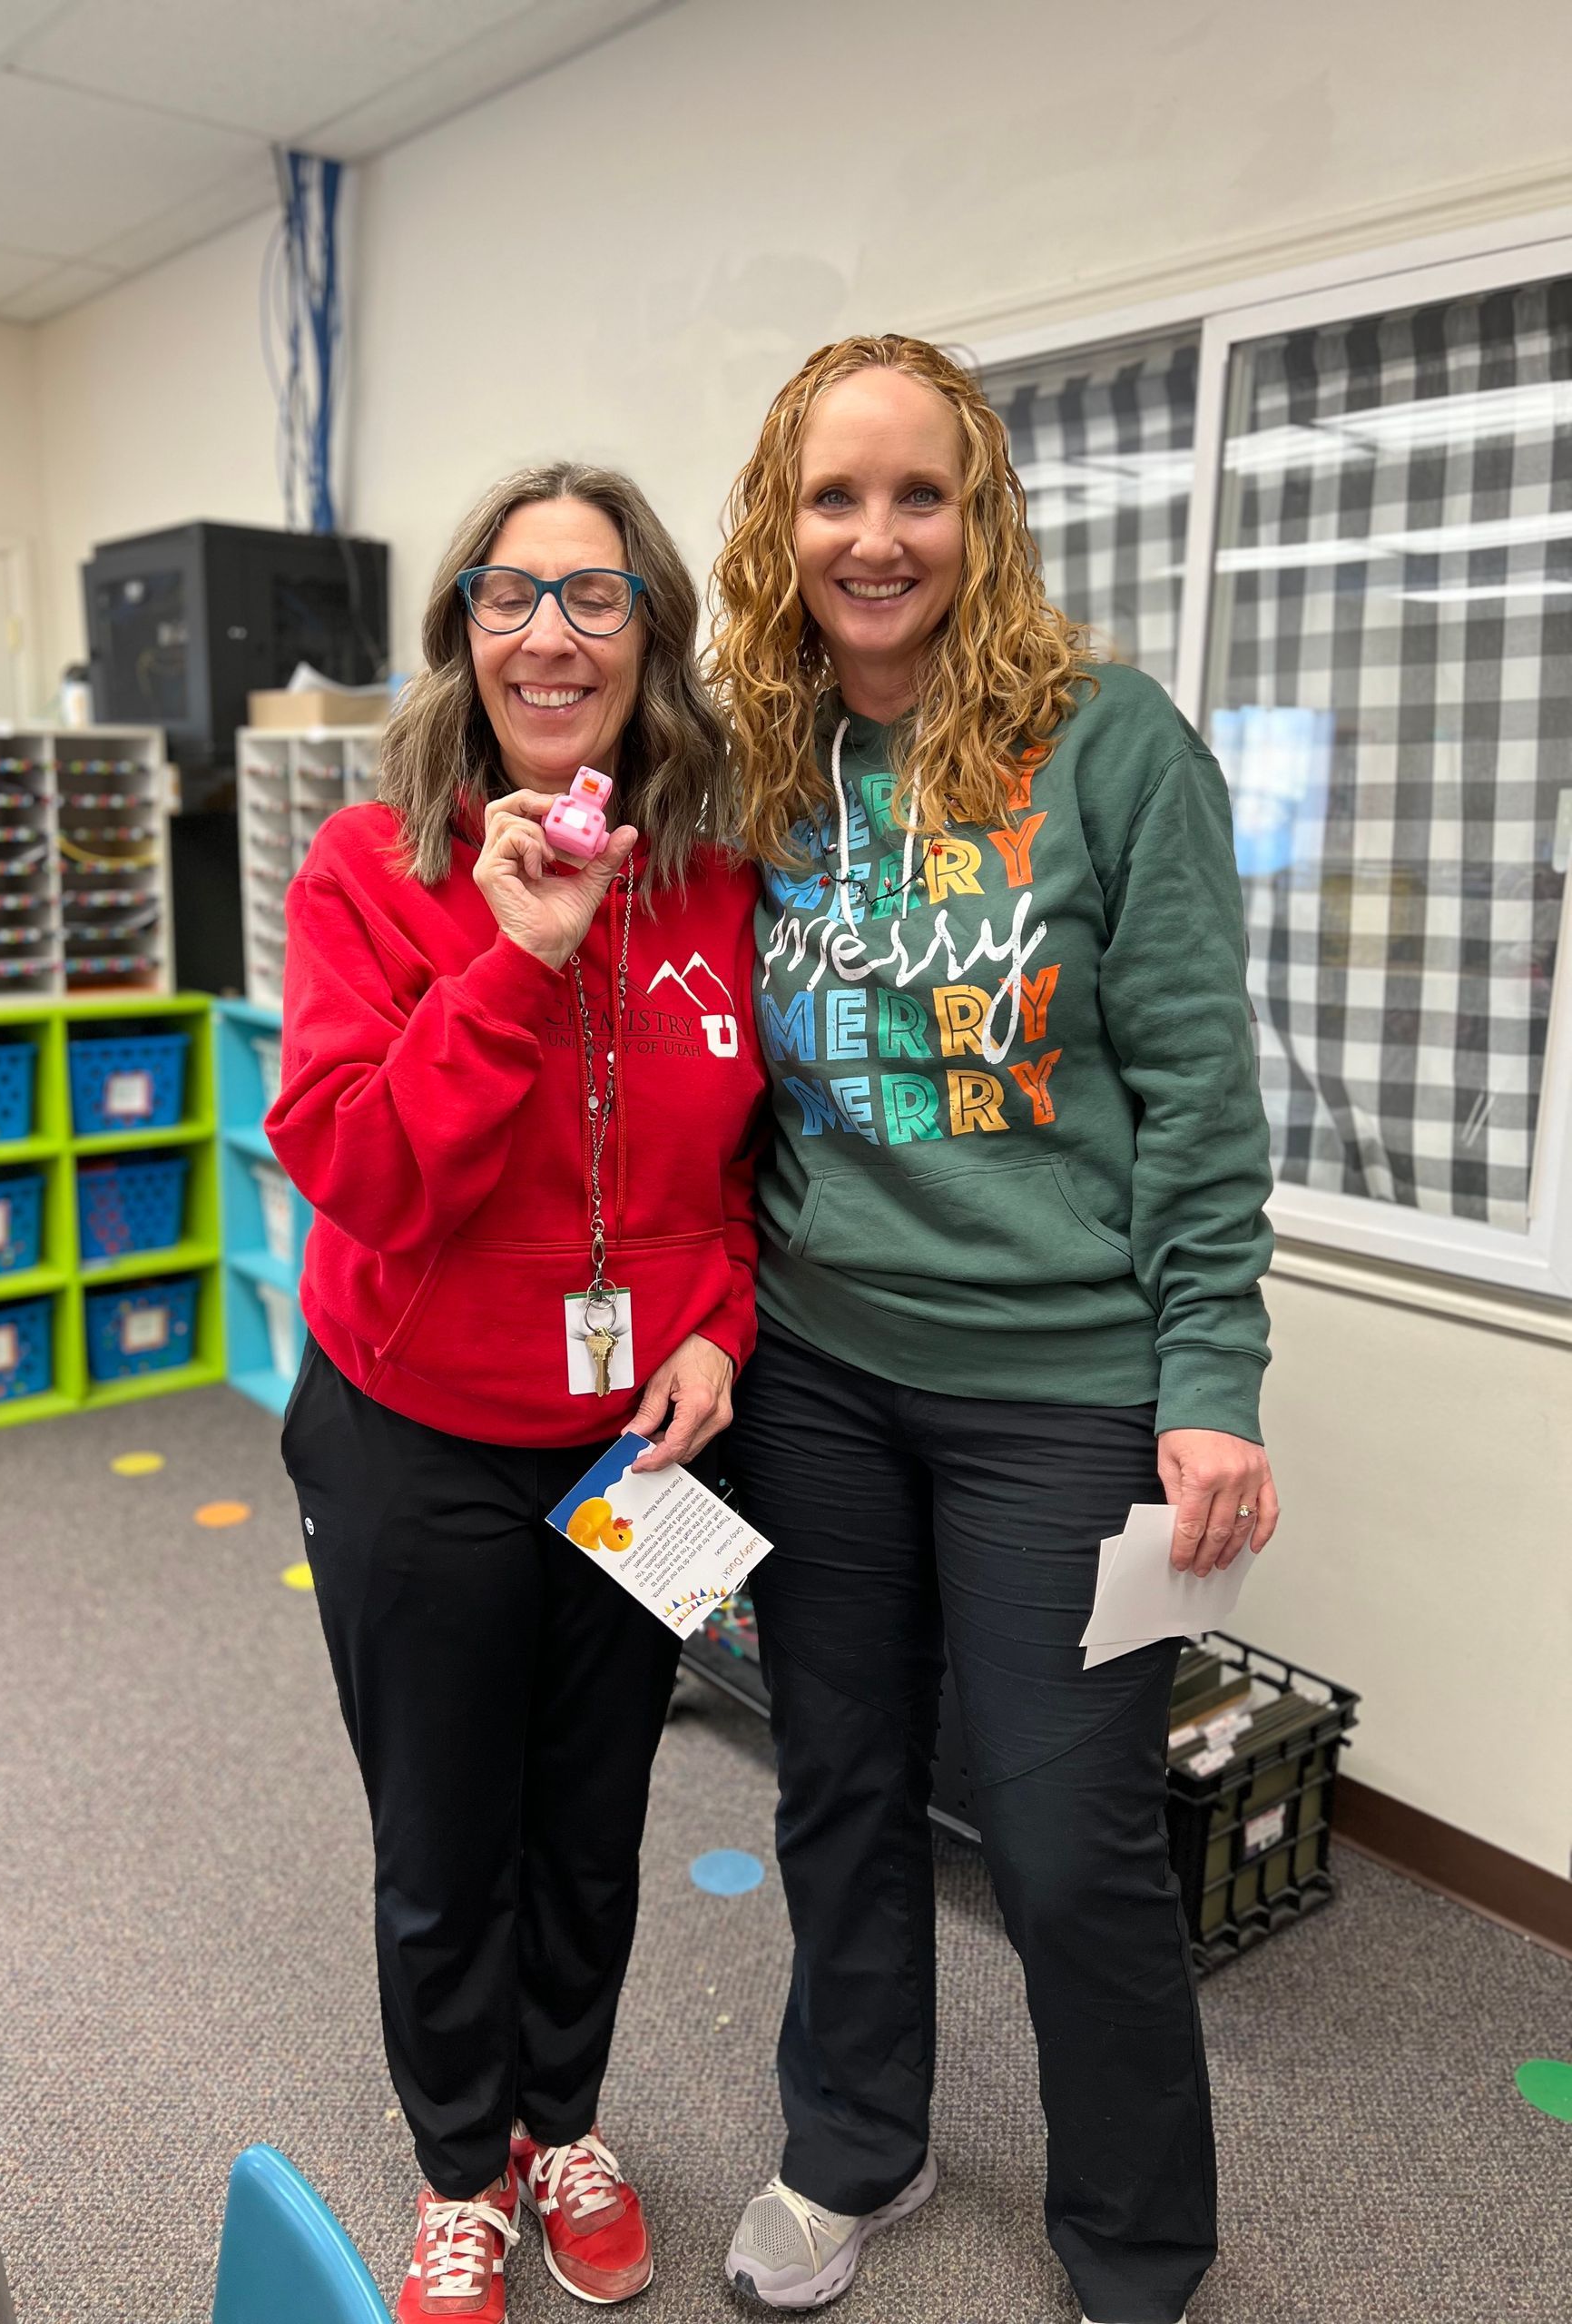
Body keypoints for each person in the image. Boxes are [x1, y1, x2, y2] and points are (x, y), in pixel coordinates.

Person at [707, 335, 1279, 2324]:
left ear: (984, 514)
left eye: (918, 493)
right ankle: (856, 2133)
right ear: (782, 522)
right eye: (835, 495)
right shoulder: (756, 766)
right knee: (837, 1779)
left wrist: (1209, 1384)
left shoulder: (1114, 744)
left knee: (1064, 1836)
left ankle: (1135, 2242)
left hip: (1064, 1395)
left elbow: (1203, 1096)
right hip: (816, 1378)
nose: (877, 536)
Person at [267, 462, 764, 2322]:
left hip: (631, 1450)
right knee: (445, 1831)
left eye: (596, 595)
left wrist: (720, 1321)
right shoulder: (371, 873)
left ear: (653, 639)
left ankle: (565, 2119)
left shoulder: (716, 880)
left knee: (593, 1817)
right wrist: (518, 951)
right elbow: (370, 1174)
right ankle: (459, 2158)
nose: (549, 631)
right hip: (414, 1437)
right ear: (460, 636)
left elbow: (729, 1178)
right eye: (508, 593)